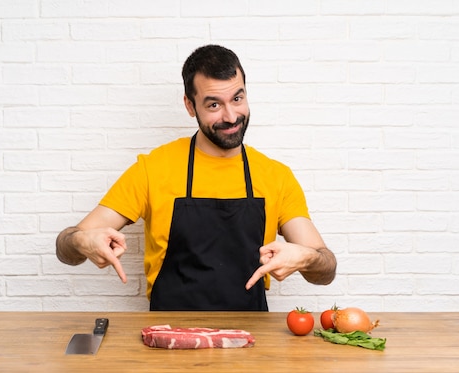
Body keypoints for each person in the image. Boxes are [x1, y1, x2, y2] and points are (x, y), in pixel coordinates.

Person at [56, 44, 336, 311]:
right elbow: (67, 243)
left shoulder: (276, 176)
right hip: (169, 337)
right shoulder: (153, 169)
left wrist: (307, 258)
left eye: (237, 98)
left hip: (249, 339)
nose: (231, 116)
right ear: (190, 106)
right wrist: (82, 243)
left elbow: (325, 269)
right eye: (214, 105)